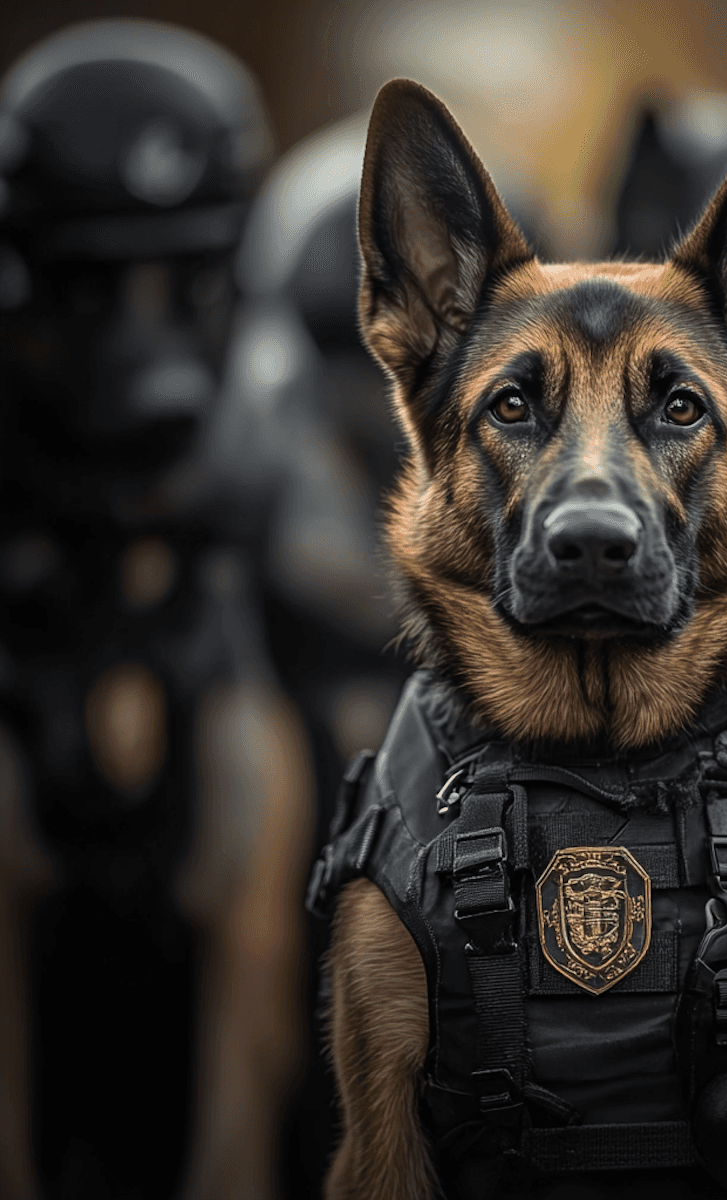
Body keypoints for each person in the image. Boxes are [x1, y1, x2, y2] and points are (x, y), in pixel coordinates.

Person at [0, 21, 314, 1200]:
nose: (143, 347)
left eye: (180, 280)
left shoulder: (262, 450)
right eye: (89, 285)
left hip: (200, 681)